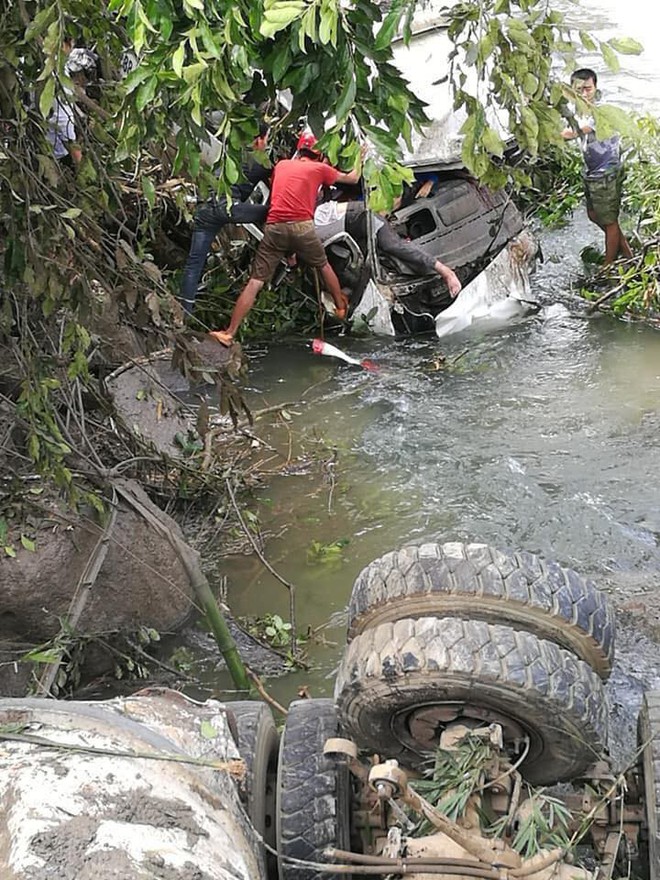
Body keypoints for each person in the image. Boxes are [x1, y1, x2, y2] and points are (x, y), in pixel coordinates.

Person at [209, 132, 363, 346]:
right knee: (323, 266)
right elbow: (353, 178)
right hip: (302, 227)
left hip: (274, 227)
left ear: (299, 150)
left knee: (255, 281)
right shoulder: (319, 168)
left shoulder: (281, 165)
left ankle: (229, 332)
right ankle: (340, 308)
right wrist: (361, 155)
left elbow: (281, 196)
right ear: (319, 155)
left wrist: (289, 253)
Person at [179, 123, 272, 314]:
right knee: (276, 211)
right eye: (266, 140)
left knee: (194, 262)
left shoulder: (229, 153)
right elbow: (283, 182)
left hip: (205, 208)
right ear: (259, 140)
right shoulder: (261, 161)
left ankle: (184, 310)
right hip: (229, 208)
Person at [314, 199, 462, 297]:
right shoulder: (310, 227)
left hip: (365, 217)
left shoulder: (315, 219)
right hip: (356, 231)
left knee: (392, 246)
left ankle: (445, 272)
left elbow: (356, 207)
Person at [561, 68, 632, 265]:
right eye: (578, 90)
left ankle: (608, 267)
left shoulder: (601, 109)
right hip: (592, 170)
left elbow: (575, 132)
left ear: (595, 87)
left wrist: (544, 133)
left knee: (609, 221)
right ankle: (627, 253)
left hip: (606, 170)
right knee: (594, 215)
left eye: (588, 89)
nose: (583, 94)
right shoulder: (577, 109)